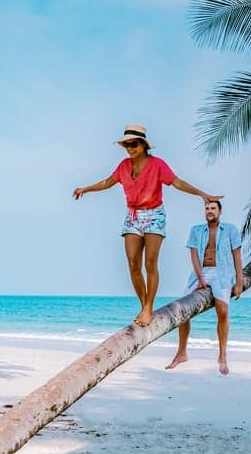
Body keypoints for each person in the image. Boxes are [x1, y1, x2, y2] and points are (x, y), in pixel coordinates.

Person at [72, 125, 222, 327]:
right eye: (126, 145)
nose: (129, 148)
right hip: (132, 216)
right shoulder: (124, 166)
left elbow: (177, 183)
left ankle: (149, 308)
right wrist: (86, 189)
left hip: (154, 215)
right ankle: (144, 306)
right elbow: (107, 182)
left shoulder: (157, 165)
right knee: (133, 265)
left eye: (133, 144)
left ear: (143, 145)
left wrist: (202, 194)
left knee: (150, 264)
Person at [166, 199, 245, 375]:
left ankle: (222, 355)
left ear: (220, 211)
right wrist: (200, 278)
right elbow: (194, 256)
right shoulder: (196, 230)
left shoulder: (230, 230)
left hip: (222, 274)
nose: (209, 211)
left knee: (223, 311)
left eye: (213, 208)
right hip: (199, 273)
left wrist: (239, 281)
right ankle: (182, 352)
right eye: (207, 208)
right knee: (182, 309)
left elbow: (237, 255)